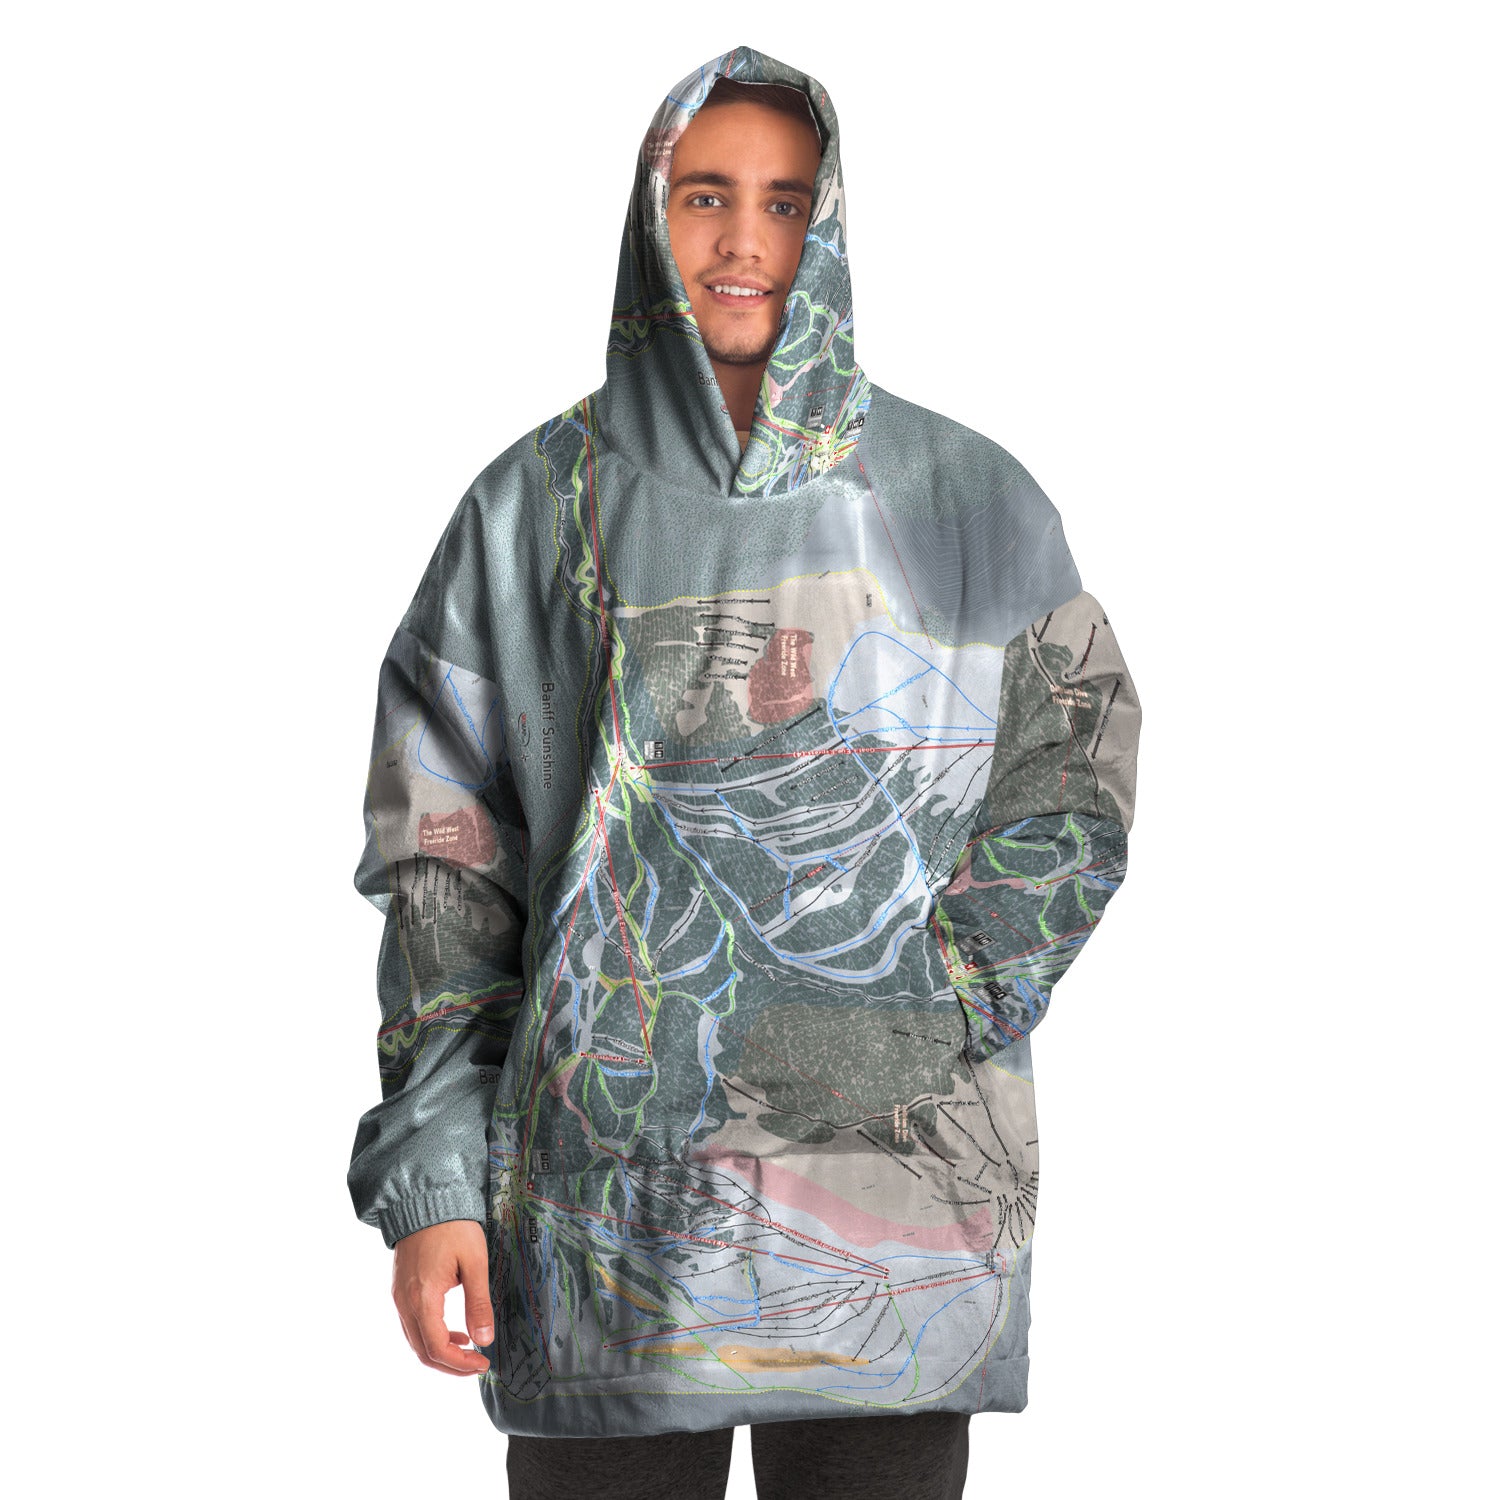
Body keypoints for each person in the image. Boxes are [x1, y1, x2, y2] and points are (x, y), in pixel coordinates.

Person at [347, 44, 1142, 1500]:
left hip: (896, 1210)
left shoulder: (967, 499)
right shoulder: (533, 509)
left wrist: (937, 1004)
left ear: (827, 225)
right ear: (650, 215)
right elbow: (442, 870)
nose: (743, 241)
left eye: (785, 202)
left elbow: (1071, 784)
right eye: (707, 195)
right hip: (600, 1217)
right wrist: (436, 1182)